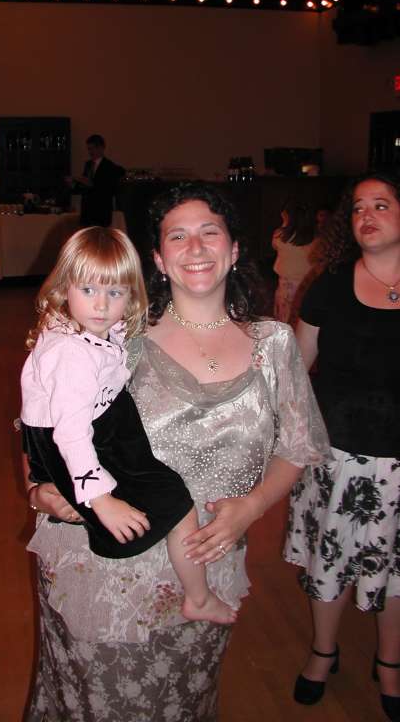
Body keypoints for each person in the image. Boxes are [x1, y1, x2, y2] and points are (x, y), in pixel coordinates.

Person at [22, 183, 329, 721]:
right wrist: (39, 492)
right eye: (178, 236)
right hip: (107, 564)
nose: (196, 246)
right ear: (159, 260)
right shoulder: (118, 338)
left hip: (205, 567)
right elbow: (41, 425)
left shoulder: (274, 344)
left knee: (183, 701)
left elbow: (298, 446)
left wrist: (253, 506)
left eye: (210, 232)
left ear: (235, 249)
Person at [21, 226, 236, 625]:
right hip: (77, 438)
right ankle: (198, 597)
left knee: (165, 493)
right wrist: (100, 498)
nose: (102, 305)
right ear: (65, 287)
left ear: (130, 295)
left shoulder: (90, 328)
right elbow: (70, 435)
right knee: (174, 500)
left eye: (115, 292)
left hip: (103, 420)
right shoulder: (71, 355)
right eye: (89, 290)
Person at [284, 172, 400, 721]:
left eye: (381, 205)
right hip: (337, 455)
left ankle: (390, 662)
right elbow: (296, 369)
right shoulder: (330, 283)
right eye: (357, 208)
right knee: (327, 560)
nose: (366, 216)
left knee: (398, 569)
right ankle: (323, 652)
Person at [271, 200, 319, 323]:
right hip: (307, 283)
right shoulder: (316, 237)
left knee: (285, 316)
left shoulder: (280, 236)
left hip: (287, 284)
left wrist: (285, 224)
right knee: (300, 317)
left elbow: (274, 246)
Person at [66, 134, 125, 227]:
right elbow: (84, 188)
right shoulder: (88, 165)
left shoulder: (110, 167)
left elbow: (108, 189)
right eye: (88, 149)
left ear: (101, 148)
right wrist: (73, 185)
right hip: (87, 213)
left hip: (101, 213)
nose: (90, 152)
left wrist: (89, 183)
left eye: (92, 149)